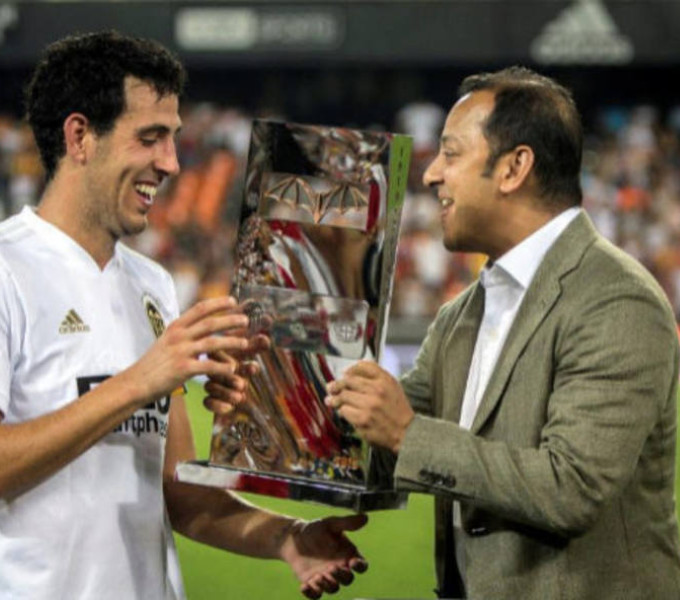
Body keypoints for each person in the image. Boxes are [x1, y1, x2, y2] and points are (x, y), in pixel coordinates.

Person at [0, 31, 367, 600]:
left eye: (173, 138)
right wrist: (140, 381)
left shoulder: (152, 285)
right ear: (80, 137)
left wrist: (289, 538)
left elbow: (179, 496)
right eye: (150, 138)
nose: (172, 163)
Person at [208, 66, 680, 598]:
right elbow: (378, 447)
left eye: (451, 154)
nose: (431, 174)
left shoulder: (616, 298)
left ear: (514, 167)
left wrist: (407, 433)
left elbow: (572, 487)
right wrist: (266, 403)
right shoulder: (463, 313)